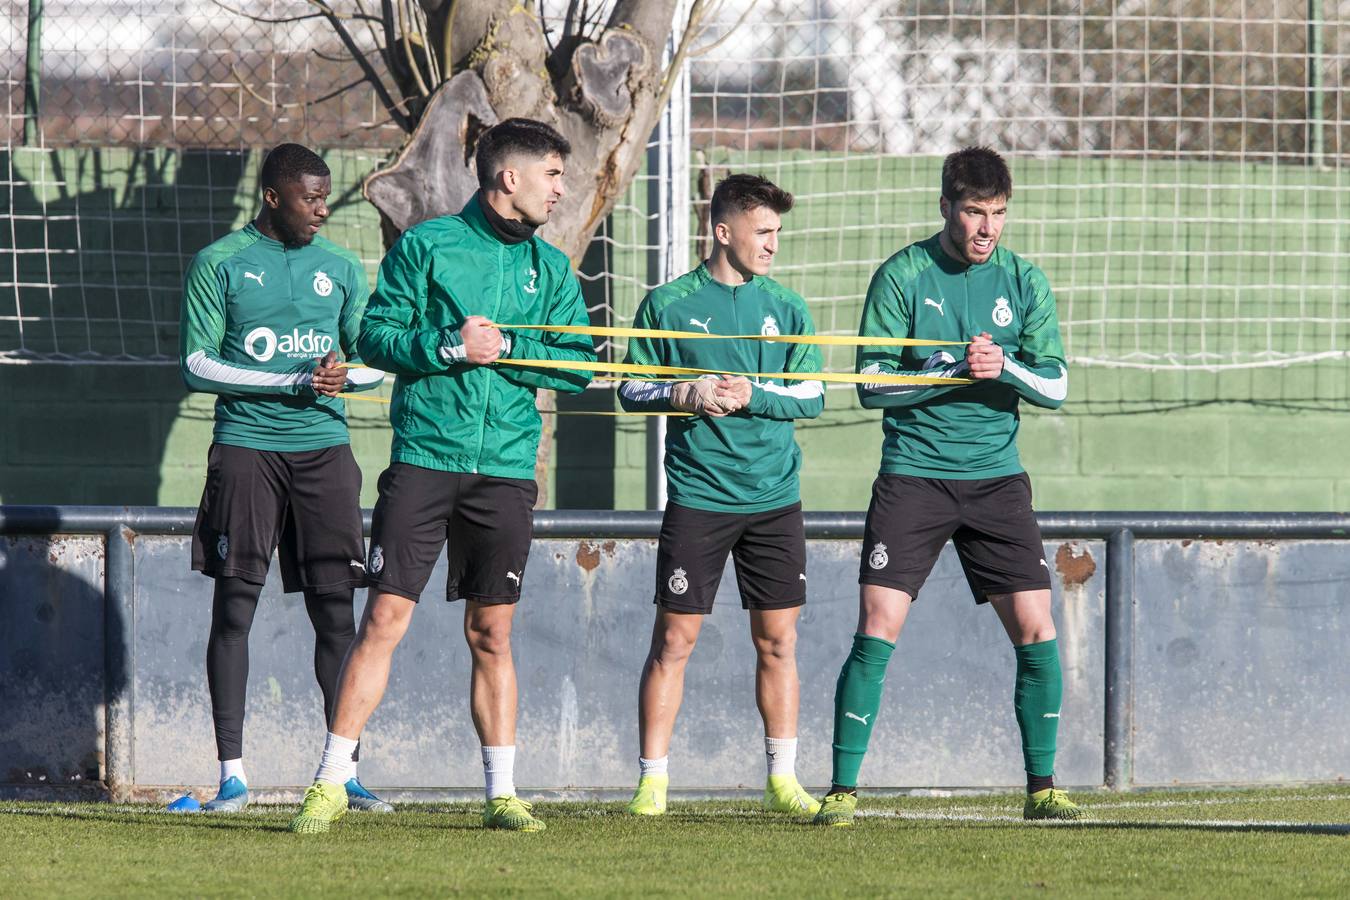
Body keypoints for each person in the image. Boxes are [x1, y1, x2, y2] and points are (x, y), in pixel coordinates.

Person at [288, 118, 596, 834]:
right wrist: (451, 346)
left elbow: (579, 364)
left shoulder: (551, 269)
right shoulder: (428, 245)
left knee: (493, 631)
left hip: (507, 470)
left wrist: (507, 346)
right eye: (552, 175)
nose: (561, 189)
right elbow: (374, 337)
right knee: (385, 619)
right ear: (507, 177)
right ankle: (332, 781)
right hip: (426, 459)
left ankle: (501, 794)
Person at [813, 146, 1080, 826]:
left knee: (1036, 625)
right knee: (879, 625)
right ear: (945, 208)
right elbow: (869, 386)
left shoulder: (1025, 280)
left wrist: (1005, 368)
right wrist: (940, 367)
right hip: (915, 478)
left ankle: (1043, 790)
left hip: (996, 483)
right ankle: (841, 794)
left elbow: (1055, 385)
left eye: (997, 214)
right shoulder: (903, 274)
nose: (986, 229)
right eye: (973, 213)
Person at [180, 142, 389, 813]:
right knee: (235, 606)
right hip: (246, 450)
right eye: (311, 198)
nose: (323, 210)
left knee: (336, 612)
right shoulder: (221, 262)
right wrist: (292, 378)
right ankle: (232, 777)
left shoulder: (339, 267)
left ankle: (342, 774)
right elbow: (198, 365)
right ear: (273, 197)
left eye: (326, 196)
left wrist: (341, 376)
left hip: (325, 452)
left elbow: (374, 360)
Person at [618, 174, 824, 818]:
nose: (772, 245)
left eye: (777, 234)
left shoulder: (787, 308)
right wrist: (684, 391)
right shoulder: (668, 304)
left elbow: (812, 396)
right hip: (699, 498)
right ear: (723, 230)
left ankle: (783, 781)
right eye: (762, 232)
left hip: (774, 499)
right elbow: (631, 388)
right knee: (674, 642)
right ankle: (652, 783)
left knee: (779, 642)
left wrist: (751, 395)